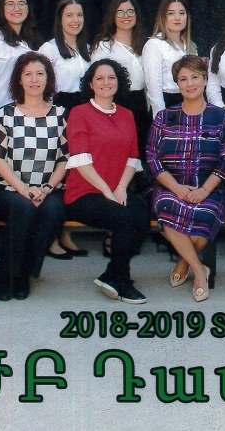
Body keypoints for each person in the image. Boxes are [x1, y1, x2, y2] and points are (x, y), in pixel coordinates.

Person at [147, 56, 225, 302]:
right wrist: (176, 188)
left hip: (210, 187)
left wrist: (204, 191)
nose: (190, 83)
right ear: (177, 84)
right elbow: (152, 157)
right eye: (183, 79)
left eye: (195, 77)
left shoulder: (221, 116)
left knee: (200, 227)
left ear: (205, 80)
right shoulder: (164, 116)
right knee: (167, 208)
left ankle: (183, 263)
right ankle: (199, 271)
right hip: (170, 186)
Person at [64, 59, 151, 303]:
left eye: (111, 77)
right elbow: (81, 160)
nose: (106, 82)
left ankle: (112, 273)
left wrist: (121, 188)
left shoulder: (126, 114)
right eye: (99, 78)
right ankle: (122, 281)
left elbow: (133, 157)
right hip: (84, 194)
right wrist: (107, 191)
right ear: (91, 84)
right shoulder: (79, 113)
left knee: (142, 214)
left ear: (118, 82)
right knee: (124, 218)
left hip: (116, 190)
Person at [0, 52, 68, 301]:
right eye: (28, 74)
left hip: (48, 188)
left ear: (48, 78)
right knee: (23, 208)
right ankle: (6, 272)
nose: (34, 80)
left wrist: (46, 188)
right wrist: (23, 189)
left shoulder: (60, 114)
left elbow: (65, 158)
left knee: (52, 210)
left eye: (40, 74)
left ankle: (23, 273)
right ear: (19, 79)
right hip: (9, 187)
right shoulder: (6, 114)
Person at [91, 0, 151, 149]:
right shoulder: (103, 47)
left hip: (141, 103)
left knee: (140, 148)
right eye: (120, 12)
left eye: (130, 11)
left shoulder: (147, 44)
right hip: (116, 102)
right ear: (113, 16)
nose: (126, 16)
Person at [142, 0, 196, 117]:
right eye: (171, 13)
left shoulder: (191, 46)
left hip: (189, 102)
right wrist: (161, 117)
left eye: (182, 13)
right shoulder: (155, 44)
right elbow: (154, 86)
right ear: (163, 17)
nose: (177, 18)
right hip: (167, 102)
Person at [38, 0, 92, 116]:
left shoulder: (88, 48)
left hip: (87, 109)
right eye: (69, 15)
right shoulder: (49, 49)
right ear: (60, 19)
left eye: (79, 15)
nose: (75, 20)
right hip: (61, 110)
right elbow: (41, 84)